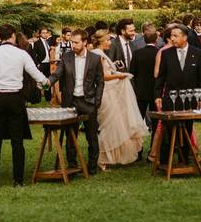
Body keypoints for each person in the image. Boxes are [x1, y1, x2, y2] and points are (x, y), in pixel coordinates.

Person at [0, 25, 48, 188]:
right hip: (16, 98)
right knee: (17, 141)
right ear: (13, 36)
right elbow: (35, 73)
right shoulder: (21, 53)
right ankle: (18, 180)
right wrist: (46, 82)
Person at [47, 28, 104, 175]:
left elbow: (100, 82)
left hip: (88, 102)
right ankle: (72, 165)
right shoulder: (67, 57)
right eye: (72, 42)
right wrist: (48, 82)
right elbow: (57, 74)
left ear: (85, 42)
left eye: (76, 42)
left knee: (92, 136)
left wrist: (96, 101)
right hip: (71, 102)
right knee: (70, 135)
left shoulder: (95, 59)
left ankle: (92, 166)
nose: (73, 45)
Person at [91, 30, 148, 169]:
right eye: (108, 40)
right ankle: (103, 158)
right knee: (109, 125)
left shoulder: (100, 54)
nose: (110, 42)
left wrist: (117, 73)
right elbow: (103, 77)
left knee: (115, 124)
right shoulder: (99, 55)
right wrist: (120, 76)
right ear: (101, 41)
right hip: (106, 93)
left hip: (109, 92)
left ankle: (110, 157)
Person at [153, 25, 201, 164]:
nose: (172, 38)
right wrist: (158, 96)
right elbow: (160, 78)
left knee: (187, 130)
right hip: (170, 99)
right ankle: (165, 162)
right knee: (168, 132)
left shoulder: (197, 53)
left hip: (190, 100)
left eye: (175, 36)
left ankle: (184, 160)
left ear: (185, 37)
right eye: (171, 36)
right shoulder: (167, 54)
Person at [129, 25, 160, 127]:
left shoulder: (137, 53)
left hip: (141, 89)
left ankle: (137, 142)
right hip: (155, 89)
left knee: (138, 118)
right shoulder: (159, 53)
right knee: (155, 119)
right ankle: (154, 142)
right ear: (156, 39)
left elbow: (132, 71)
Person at [30, 27, 54, 102]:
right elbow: (34, 55)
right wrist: (37, 64)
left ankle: (48, 98)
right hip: (41, 64)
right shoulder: (37, 43)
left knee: (47, 80)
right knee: (38, 80)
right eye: (43, 32)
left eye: (46, 32)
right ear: (40, 34)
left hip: (48, 63)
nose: (45, 34)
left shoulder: (48, 42)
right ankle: (37, 98)